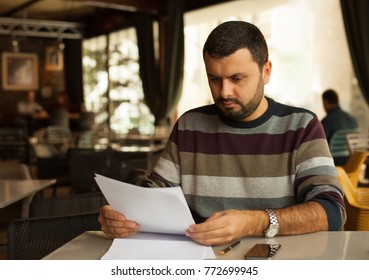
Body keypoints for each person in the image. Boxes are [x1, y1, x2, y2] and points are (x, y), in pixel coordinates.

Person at [99, 21, 346, 246]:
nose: (224, 91)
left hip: (278, 261)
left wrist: (255, 222)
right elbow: (155, 193)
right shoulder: (189, 126)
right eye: (214, 79)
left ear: (266, 71)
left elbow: (331, 210)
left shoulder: (301, 126)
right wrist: (123, 214)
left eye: (237, 78)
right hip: (199, 261)